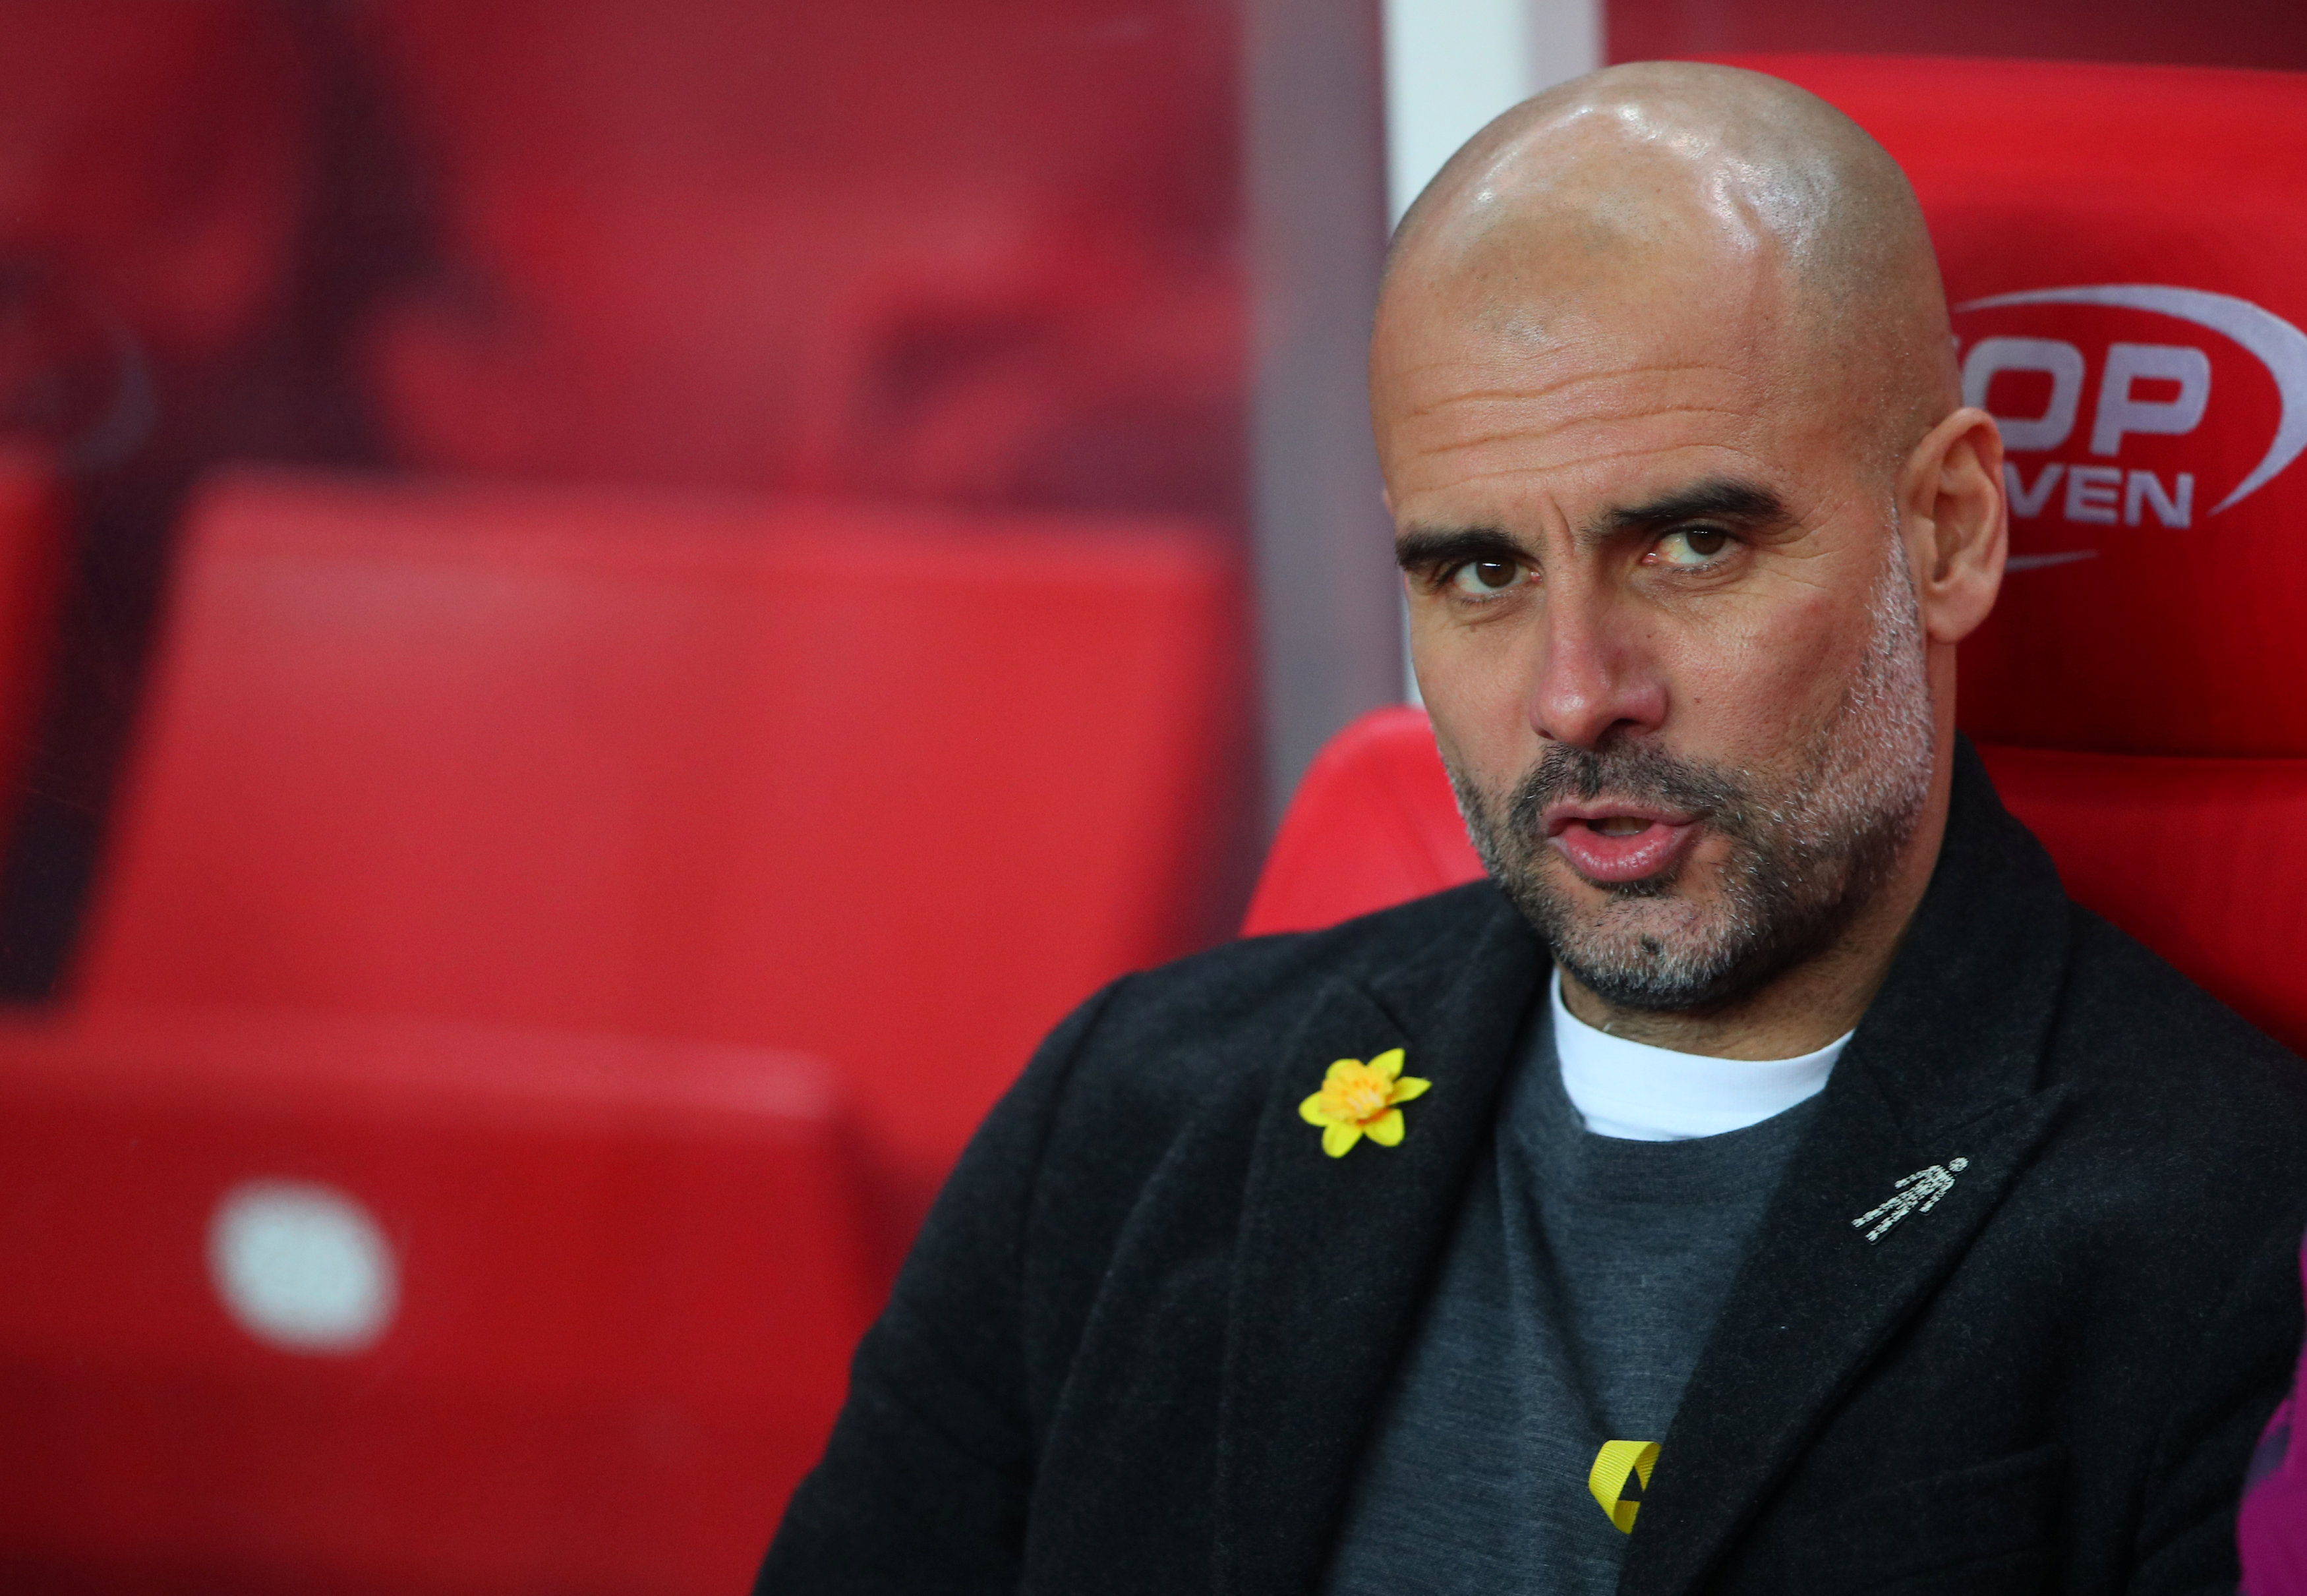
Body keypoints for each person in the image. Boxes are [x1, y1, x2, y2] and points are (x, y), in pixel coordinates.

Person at [759, 62, 2307, 1595]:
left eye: (1693, 543)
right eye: (1481, 573)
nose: (1575, 695)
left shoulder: (2232, 1237)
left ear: (1949, 533)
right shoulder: (1136, 1115)